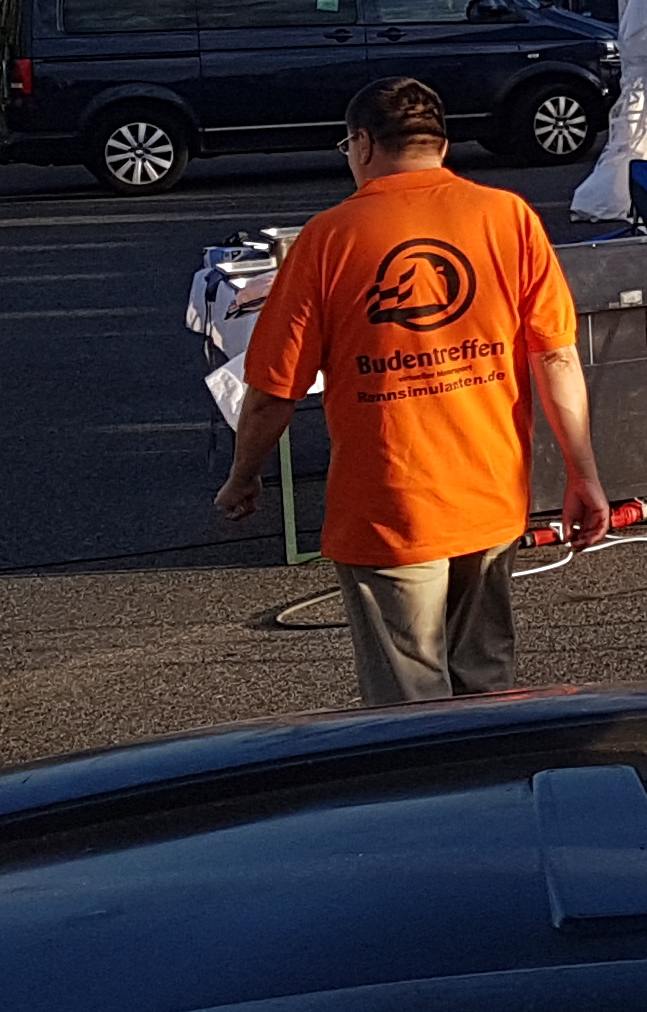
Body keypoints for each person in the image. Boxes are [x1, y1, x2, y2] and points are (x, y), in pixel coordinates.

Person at [221, 75, 605, 702]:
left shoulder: (328, 238)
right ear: (441, 145)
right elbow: (557, 356)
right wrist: (582, 474)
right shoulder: (508, 217)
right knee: (487, 683)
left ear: (363, 144)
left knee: (410, 701)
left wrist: (243, 476)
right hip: (490, 493)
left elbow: (273, 391)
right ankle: (496, 767)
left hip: (390, 504)